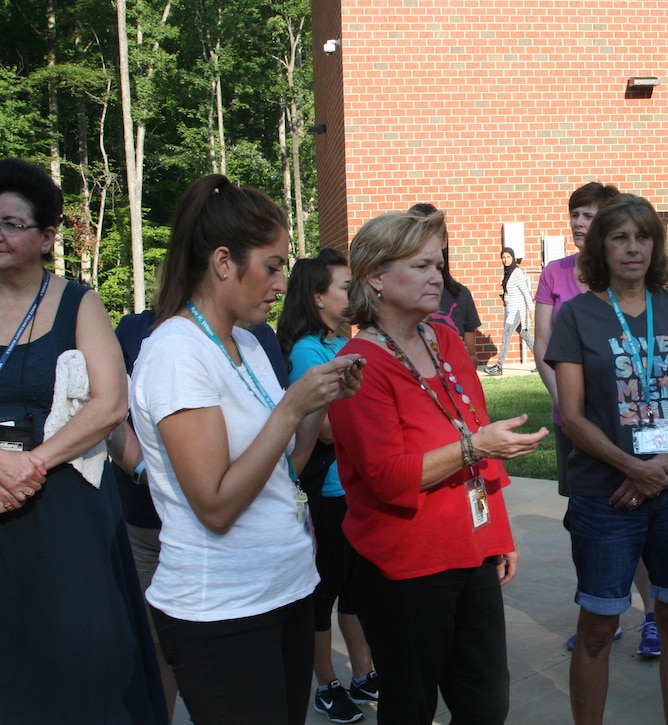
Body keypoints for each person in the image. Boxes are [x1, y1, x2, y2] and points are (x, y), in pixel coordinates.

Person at [129, 174, 363, 725]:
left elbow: (285, 469)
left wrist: (315, 404)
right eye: (273, 266)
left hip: (283, 588)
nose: (283, 284)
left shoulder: (249, 346)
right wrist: (289, 408)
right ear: (223, 262)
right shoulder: (176, 353)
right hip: (223, 610)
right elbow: (215, 504)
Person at [328, 209, 548, 724]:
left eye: (439, 263)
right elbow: (386, 475)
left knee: (485, 703)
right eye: (423, 265)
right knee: (411, 705)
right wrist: (475, 447)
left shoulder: (446, 340)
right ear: (376, 277)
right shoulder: (358, 365)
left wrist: (500, 535)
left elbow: (477, 433)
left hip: (470, 553)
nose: (438, 276)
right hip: (403, 567)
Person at [0, 158, 167, 723]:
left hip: (63, 498)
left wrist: (31, 463)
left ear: (48, 237)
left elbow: (108, 403)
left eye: (12, 223)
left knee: (82, 654)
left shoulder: (78, 301)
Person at [545, 193, 668, 725]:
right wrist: (632, 467)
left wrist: (655, 468)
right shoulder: (576, 316)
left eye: (643, 237)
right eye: (619, 237)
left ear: (656, 245)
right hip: (605, 494)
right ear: (601, 245)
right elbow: (571, 415)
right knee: (596, 628)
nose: (632, 248)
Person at [109, 309, 290, 724]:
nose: (279, 284)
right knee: (157, 645)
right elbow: (111, 411)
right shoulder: (142, 333)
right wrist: (144, 469)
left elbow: (274, 421)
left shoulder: (254, 335)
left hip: (243, 539)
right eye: (271, 266)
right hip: (150, 520)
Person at [535, 181, 660, 656]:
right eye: (575, 213)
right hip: (577, 424)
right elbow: (544, 344)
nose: (579, 222)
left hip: (636, 420)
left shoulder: (634, 279)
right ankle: (603, 613)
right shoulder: (555, 274)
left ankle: (650, 615)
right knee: (589, 517)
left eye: (589, 214)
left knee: (643, 512)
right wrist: (572, 407)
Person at [278, 248, 378, 724]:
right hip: (329, 493)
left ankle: (363, 673)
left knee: (355, 590)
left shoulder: (348, 345)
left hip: (356, 489)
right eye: (344, 286)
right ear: (318, 297)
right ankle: (326, 684)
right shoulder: (308, 351)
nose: (353, 294)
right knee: (324, 592)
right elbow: (324, 431)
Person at [408, 203, 482, 366]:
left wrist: (458, 355)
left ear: (444, 241)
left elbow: (473, 360)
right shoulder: (400, 298)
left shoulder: (460, 295)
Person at [484, 246, 534, 375]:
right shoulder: (508, 272)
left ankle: (499, 367)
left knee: (506, 335)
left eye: (508, 257)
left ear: (513, 258)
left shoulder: (517, 272)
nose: (506, 260)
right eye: (503, 257)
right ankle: (544, 363)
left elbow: (526, 292)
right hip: (511, 308)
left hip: (517, 310)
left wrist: (531, 309)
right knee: (526, 336)